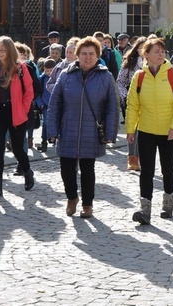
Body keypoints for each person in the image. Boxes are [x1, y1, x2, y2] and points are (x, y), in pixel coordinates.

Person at [46, 37, 119, 218]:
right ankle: (72, 198)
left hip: (91, 132)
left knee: (88, 169)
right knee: (66, 169)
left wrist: (110, 132)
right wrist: (52, 130)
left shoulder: (106, 77)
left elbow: (112, 106)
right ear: (77, 55)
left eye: (91, 54)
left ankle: (88, 204)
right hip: (68, 129)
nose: (87, 57)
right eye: (84, 54)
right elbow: (55, 104)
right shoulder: (65, 76)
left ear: (97, 56)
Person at [126, 37, 173, 225]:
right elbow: (133, 104)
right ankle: (145, 210)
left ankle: (167, 204)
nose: (161, 54)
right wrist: (130, 129)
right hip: (146, 130)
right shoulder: (139, 77)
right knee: (147, 171)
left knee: (167, 167)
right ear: (146, 55)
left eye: (162, 51)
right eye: (156, 51)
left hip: (168, 131)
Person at [0, 36, 35, 197]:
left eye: (3, 50)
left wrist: (23, 108)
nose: (0, 53)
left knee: (17, 149)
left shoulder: (20, 68)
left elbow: (29, 91)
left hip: (15, 112)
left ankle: (27, 171)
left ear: (10, 50)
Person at [117, 36, 147, 170]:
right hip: (132, 99)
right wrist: (126, 97)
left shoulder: (156, 64)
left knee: (144, 131)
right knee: (132, 130)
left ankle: (142, 158)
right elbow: (120, 82)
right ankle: (132, 158)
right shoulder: (130, 62)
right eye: (140, 47)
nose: (143, 50)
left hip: (149, 101)